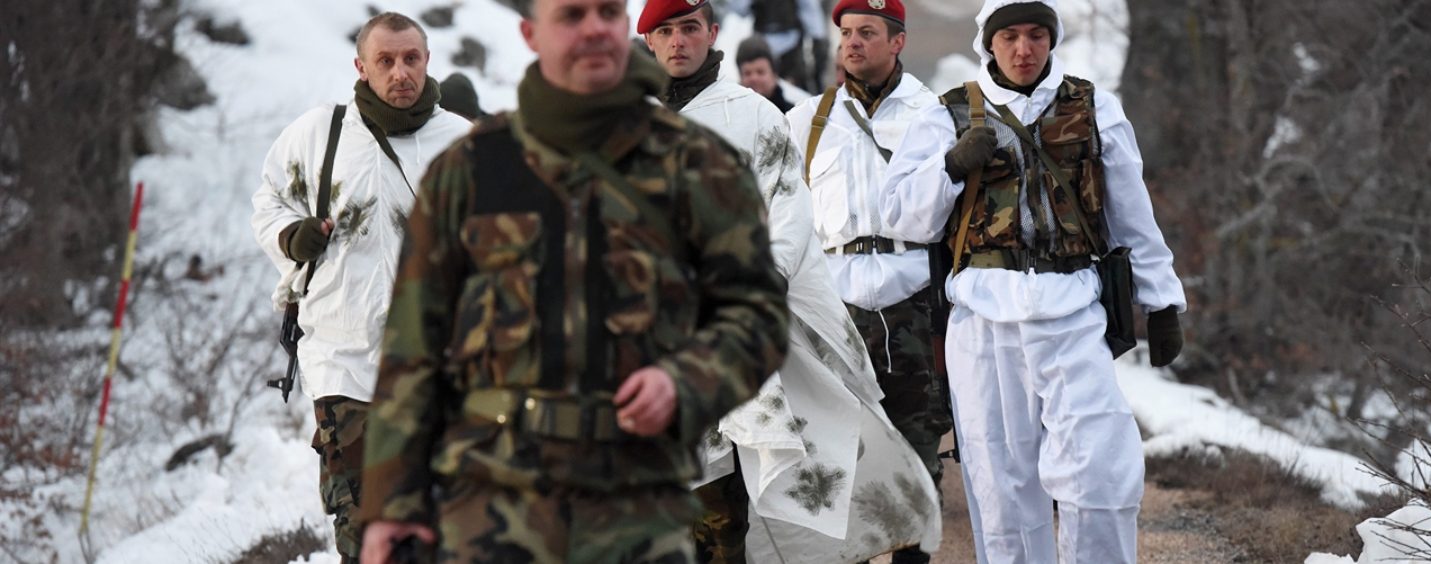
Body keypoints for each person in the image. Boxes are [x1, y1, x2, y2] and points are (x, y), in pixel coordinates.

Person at [355, 0, 792, 562]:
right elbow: (412, 348)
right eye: (571, 15)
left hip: (640, 502)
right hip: (493, 505)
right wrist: (391, 502)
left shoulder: (697, 164)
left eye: (608, 12)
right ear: (531, 34)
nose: (593, 28)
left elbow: (757, 316)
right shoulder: (469, 171)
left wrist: (686, 383)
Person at [880, 1, 1187, 562]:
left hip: (1072, 310)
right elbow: (901, 216)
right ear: (989, 44)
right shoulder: (946, 115)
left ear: (1052, 40)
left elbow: (1131, 214)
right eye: (1011, 37)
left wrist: (1161, 301)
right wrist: (949, 166)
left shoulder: (1093, 108)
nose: (1024, 49)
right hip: (981, 317)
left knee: (1100, 472)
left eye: (1037, 36)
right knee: (1001, 485)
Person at [639, 1, 939, 561]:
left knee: (728, 490)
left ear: (711, 33)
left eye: (688, 28)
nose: (678, 41)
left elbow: (787, 209)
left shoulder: (754, 115)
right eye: (665, 31)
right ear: (649, 42)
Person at [248, 12, 470, 563]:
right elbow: (269, 202)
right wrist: (292, 237)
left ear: (427, 61)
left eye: (411, 59)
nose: (400, 72)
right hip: (344, 366)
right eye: (386, 61)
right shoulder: (320, 135)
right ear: (361, 67)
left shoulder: (466, 146)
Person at [785, 1, 951, 561]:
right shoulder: (806, 121)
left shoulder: (933, 113)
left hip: (913, 296)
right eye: (847, 33)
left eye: (867, 33)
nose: (853, 43)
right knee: (839, 450)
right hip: (835, 304)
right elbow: (786, 219)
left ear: (897, 41)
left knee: (918, 442)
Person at [734, 36, 794, 113]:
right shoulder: (729, 115)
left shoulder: (792, 116)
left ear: (774, 75)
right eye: (747, 73)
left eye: (760, 72)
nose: (754, 78)